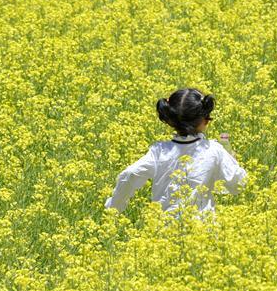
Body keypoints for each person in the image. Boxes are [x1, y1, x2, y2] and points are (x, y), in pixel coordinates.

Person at [104, 88, 247, 213]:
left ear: (170, 120)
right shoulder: (215, 150)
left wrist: (114, 207)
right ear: (205, 120)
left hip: (164, 231)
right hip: (203, 232)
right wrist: (232, 160)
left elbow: (130, 174)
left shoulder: (159, 151)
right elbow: (239, 184)